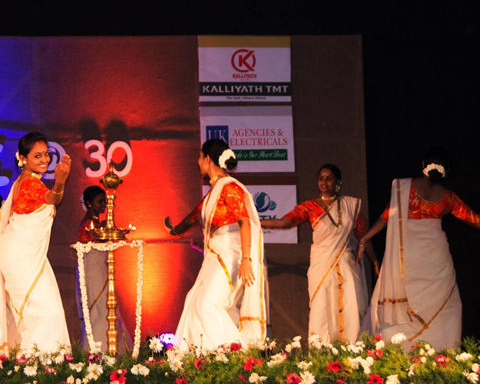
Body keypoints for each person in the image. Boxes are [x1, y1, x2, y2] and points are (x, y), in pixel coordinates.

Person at [357, 147, 480, 350]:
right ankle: (440, 353)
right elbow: (475, 220)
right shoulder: (448, 197)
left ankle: (399, 351)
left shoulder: (404, 187)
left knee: (405, 304)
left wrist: (365, 237)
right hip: (436, 258)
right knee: (445, 305)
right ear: (447, 170)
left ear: (423, 164)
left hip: (408, 256)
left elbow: (386, 217)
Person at [165, 139, 268, 351]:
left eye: (200, 157)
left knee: (206, 304)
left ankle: (235, 356)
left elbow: (245, 222)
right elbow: (194, 216)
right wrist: (175, 230)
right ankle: (203, 357)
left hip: (231, 256)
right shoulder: (213, 193)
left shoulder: (230, 188)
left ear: (208, 160)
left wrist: (246, 260)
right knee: (194, 301)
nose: (198, 161)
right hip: (215, 256)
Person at [261, 164, 378, 343]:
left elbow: (363, 236)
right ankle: (322, 350)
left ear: (338, 182)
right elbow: (285, 222)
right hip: (321, 265)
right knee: (322, 306)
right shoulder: (310, 207)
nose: (324, 182)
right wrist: (256, 221)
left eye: (329, 178)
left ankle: (353, 348)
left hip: (346, 264)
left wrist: (375, 261)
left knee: (351, 305)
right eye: (321, 178)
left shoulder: (350, 206)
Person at [0, 132, 72, 353]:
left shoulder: (25, 182)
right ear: (23, 159)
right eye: (37, 155)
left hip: (23, 254)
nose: (45, 159)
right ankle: (41, 363)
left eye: (46, 154)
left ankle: (33, 361)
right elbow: (53, 199)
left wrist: (59, 183)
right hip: (21, 255)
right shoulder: (29, 184)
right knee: (46, 312)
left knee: (37, 312)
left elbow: (51, 200)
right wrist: (60, 181)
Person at [75, 185, 131, 352]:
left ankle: (109, 347)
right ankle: (98, 349)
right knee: (99, 307)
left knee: (106, 305)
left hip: (99, 267)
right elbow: (93, 244)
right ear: (89, 203)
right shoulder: (89, 224)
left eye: (105, 202)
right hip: (92, 268)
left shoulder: (97, 223)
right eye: (100, 202)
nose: (104, 205)